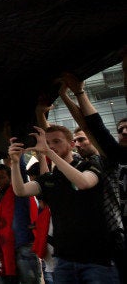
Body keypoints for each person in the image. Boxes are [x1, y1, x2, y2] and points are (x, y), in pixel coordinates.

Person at [9, 125, 119, 283]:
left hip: (97, 260)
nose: (51, 145)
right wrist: (14, 163)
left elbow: (83, 183)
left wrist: (48, 152)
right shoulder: (50, 178)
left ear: (72, 144)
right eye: (47, 142)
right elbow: (20, 191)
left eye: (56, 141)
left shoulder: (88, 166)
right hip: (64, 261)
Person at [60, 72, 126, 282]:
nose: (123, 132)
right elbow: (90, 126)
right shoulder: (99, 161)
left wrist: (77, 92)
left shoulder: (108, 160)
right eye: (120, 130)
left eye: (82, 140)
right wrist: (67, 93)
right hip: (111, 241)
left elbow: (93, 128)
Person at [0, 164, 41, 284]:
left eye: (2, 177)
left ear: (11, 178)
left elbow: (21, 172)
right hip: (3, 251)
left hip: (22, 247)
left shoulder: (19, 193)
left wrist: (16, 157)